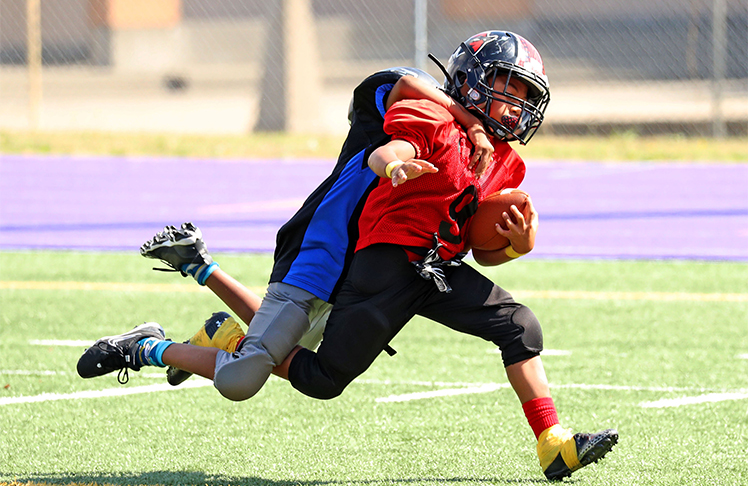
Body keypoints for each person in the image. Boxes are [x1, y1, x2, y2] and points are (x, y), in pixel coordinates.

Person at [77, 31, 617, 481]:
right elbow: (395, 128)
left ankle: (552, 440)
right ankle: (154, 342)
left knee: (518, 324)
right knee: (285, 374)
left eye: (526, 91)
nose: (517, 101)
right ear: (472, 80)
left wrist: (519, 244)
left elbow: (482, 247)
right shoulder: (428, 113)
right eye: (509, 85)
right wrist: (395, 163)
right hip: (345, 251)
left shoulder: (504, 163)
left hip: (432, 268)